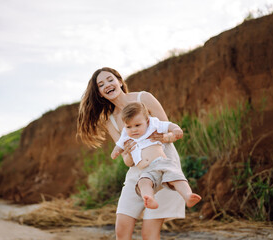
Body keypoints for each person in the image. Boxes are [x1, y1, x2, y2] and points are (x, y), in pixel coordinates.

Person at [77, 67, 189, 240]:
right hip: (138, 171)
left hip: (164, 166)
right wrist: (127, 154)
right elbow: (127, 161)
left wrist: (166, 137)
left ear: (119, 81)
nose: (107, 84)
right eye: (101, 84)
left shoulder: (143, 98)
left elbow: (169, 129)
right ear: (99, 93)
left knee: (149, 234)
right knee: (121, 230)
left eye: (110, 79)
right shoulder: (110, 120)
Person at [110, 102, 201, 210]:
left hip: (162, 162)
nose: (133, 130)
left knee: (176, 177)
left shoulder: (153, 125)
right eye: (129, 126)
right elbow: (119, 146)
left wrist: (176, 129)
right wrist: (115, 152)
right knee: (143, 182)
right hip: (146, 170)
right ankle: (149, 198)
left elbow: (168, 125)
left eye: (137, 125)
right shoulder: (126, 134)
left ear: (147, 121)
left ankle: (187, 196)